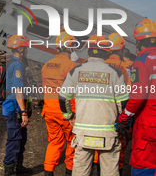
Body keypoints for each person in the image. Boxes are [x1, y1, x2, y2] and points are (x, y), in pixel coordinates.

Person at [59, 35, 129, 176]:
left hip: (83, 131)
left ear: (88, 51)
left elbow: (62, 97)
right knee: (110, 171)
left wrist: (69, 116)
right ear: (107, 52)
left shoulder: (75, 71)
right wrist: (122, 123)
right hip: (108, 132)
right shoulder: (116, 73)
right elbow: (123, 102)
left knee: (80, 171)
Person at [117, 18, 156, 175]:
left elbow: (138, 96)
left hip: (148, 125)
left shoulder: (141, 61)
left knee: (143, 166)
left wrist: (124, 118)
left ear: (138, 42)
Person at [41, 31, 77, 176]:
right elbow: (74, 93)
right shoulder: (71, 66)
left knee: (54, 143)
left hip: (49, 111)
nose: (74, 49)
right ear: (69, 47)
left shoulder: (47, 65)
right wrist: (73, 113)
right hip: (66, 112)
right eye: (73, 45)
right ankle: (69, 172)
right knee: (71, 143)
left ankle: (48, 171)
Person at [3, 34, 33, 176]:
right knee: (14, 141)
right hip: (14, 109)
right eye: (25, 48)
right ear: (20, 49)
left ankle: (18, 167)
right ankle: (9, 172)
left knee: (21, 139)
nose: (27, 51)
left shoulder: (13, 62)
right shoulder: (16, 65)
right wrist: (23, 112)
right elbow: (18, 90)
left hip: (15, 108)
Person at [106, 33, 132, 175]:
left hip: (100, 110)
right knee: (120, 144)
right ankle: (119, 169)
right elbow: (128, 91)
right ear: (120, 49)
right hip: (117, 111)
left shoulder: (99, 64)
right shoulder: (123, 66)